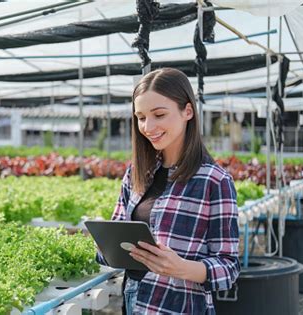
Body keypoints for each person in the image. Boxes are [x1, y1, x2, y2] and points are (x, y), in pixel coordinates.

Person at [96, 68, 240, 314]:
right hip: (135, 301)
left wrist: (181, 267)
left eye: (159, 115)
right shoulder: (136, 174)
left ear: (188, 111)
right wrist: (104, 245)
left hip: (179, 306)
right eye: (140, 117)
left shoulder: (214, 181)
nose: (148, 126)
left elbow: (228, 268)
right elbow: (115, 246)